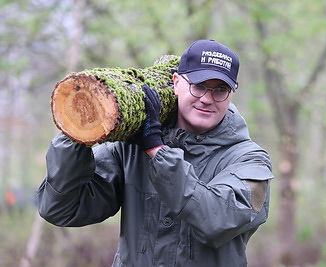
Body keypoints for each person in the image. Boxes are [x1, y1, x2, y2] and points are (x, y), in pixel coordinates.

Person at [37, 39, 274, 267]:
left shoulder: (250, 161)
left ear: (231, 93)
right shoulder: (131, 146)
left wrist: (157, 151)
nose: (207, 99)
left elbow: (217, 220)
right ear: (176, 83)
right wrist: (76, 134)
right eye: (199, 86)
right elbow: (61, 209)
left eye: (220, 90)